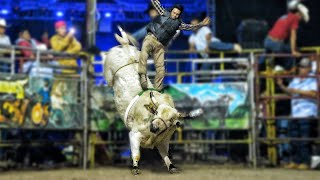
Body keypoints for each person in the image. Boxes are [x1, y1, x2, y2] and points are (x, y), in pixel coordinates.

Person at [138, 0, 210, 91]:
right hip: (151, 38)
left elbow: (189, 27)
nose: (175, 15)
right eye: (174, 13)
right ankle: (142, 77)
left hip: (160, 45)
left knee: (161, 68)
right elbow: (157, 4)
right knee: (143, 55)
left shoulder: (178, 24)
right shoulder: (163, 12)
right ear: (171, 11)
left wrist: (201, 24)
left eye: (177, 14)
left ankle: (158, 89)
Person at [276, 58, 318, 170]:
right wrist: (282, 86)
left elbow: (314, 93)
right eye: (301, 67)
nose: (301, 69)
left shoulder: (313, 79)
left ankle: (305, 161)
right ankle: (296, 160)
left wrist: (296, 91)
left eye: (304, 67)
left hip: (308, 112)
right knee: (294, 138)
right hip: (296, 113)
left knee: (304, 139)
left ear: (309, 68)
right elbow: (290, 91)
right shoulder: (296, 80)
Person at [262, 1, 309, 69]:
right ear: (299, 14)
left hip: (267, 41)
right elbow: (293, 36)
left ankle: (258, 63)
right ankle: (289, 76)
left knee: (265, 54)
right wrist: (293, 51)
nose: (301, 19)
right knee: (291, 55)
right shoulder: (295, 18)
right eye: (302, 17)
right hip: (276, 44)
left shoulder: (285, 16)